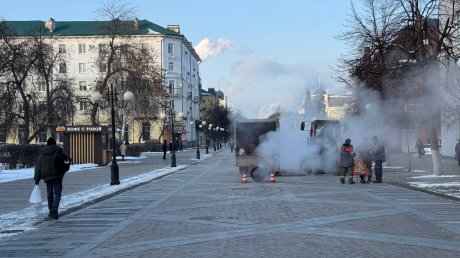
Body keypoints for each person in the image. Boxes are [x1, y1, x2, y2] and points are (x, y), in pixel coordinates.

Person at [34, 137, 70, 220]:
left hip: (47, 176)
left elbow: (38, 167)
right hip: (58, 175)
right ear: (54, 143)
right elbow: (67, 159)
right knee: (57, 193)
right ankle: (55, 209)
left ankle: (51, 211)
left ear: (47, 144)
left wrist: (37, 179)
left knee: (49, 193)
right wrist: (65, 169)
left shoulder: (42, 154)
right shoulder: (59, 151)